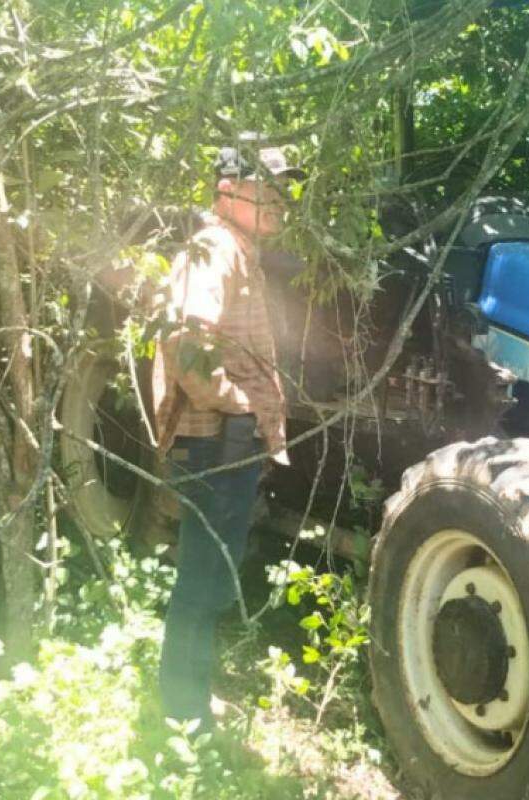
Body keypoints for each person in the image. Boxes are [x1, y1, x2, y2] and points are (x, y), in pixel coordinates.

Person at [151, 138, 300, 726]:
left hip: (225, 440)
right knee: (201, 577)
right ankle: (182, 710)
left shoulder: (238, 248)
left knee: (211, 575)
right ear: (228, 190)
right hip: (213, 440)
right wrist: (238, 406)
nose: (282, 200)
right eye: (269, 187)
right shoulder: (214, 248)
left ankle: (189, 697)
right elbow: (186, 340)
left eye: (287, 189)